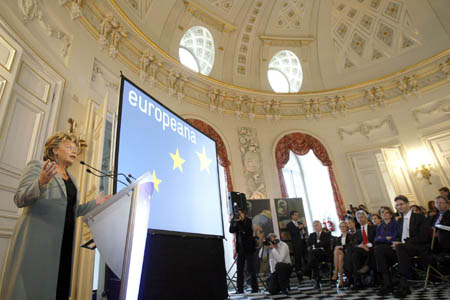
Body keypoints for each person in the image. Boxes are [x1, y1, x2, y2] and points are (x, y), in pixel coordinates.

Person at [0, 132, 111, 300]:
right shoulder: (37, 167)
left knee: (59, 289)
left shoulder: (72, 179)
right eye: (68, 147)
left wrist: (96, 203)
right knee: (34, 291)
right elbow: (20, 199)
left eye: (75, 149)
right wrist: (41, 182)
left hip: (64, 243)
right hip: (38, 242)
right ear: (55, 150)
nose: (74, 151)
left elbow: (71, 211)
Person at [391, 195, 430, 298]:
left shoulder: (419, 217)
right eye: (397, 205)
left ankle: (403, 285)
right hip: (403, 248)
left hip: (418, 247)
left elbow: (423, 237)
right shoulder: (399, 220)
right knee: (379, 249)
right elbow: (399, 236)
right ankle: (386, 283)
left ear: (408, 204)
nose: (399, 207)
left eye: (401, 204)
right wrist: (396, 242)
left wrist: (403, 242)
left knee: (400, 248)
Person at [229, 209, 258, 294]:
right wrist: (232, 222)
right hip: (240, 249)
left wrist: (239, 222)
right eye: (237, 213)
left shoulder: (248, 221)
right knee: (239, 270)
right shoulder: (237, 221)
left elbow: (245, 231)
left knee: (250, 269)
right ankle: (240, 289)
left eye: (240, 213)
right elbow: (231, 231)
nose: (238, 215)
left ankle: (254, 288)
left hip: (248, 249)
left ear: (244, 214)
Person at [373, 207, 398, 296]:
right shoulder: (380, 226)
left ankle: (387, 283)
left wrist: (382, 239)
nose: (384, 214)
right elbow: (375, 239)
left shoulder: (395, 223)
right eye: (382, 212)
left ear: (391, 214)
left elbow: (394, 238)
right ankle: (387, 282)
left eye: (387, 213)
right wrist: (386, 238)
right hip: (382, 249)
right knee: (377, 249)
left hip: (393, 248)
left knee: (378, 249)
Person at [351, 210, 376, 290]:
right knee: (354, 253)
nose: (360, 219)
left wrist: (368, 245)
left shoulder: (373, 228)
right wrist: (361, 245)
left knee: (355, 254)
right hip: (361, 250)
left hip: (372, 248)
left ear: (366, 218)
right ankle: (357, 281)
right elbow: (355, 244)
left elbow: (376, 240)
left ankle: (358, 278)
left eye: (362, 217)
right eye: (358, 218)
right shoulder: (357, 232)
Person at [306, 220, 331, 289]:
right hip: (315, 255)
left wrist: (316, 245)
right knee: (314, 258)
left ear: (320, 226)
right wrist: (317, 245)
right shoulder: (312, 235)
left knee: (313, 254)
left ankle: (308, 270)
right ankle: (317, 279)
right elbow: (309, 244)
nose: (315, 227)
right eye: (314, 226)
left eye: (316, 225)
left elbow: (325, 244)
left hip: (324, 254)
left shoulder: (326, 234)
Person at [286, 211, 308, 277]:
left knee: (305, 256)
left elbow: (304, 232)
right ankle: (298, 271)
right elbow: (293, 232)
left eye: (298, 215)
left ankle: (306, 270)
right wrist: (299, 228)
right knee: (297, 257)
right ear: (292, 216)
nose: (297, 216)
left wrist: (304, 232)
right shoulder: (289, 224)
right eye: (296, 215)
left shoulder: (300, 223)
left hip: (303, 241)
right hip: (296, 243)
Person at [331, 221, 353, 287]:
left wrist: (342, 246)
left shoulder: (350, 236)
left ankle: (336, 272)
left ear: (347, 228)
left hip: (348, 253)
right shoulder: (339, 238)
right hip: (340, 254)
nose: (342, 228)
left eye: (344, 226)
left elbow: (350, 246)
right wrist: (339, 247)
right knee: (339, 256)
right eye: (341, 227)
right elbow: (336, 246)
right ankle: (341, 280)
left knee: (337, 251)